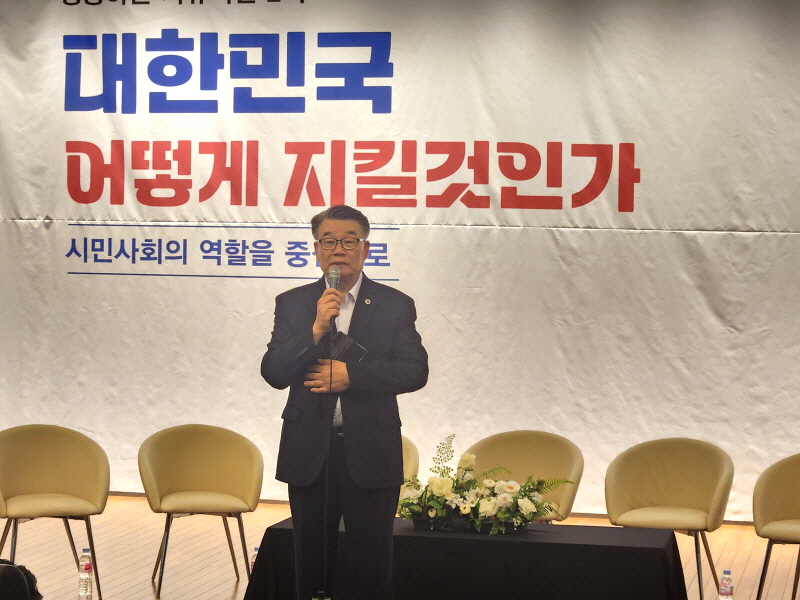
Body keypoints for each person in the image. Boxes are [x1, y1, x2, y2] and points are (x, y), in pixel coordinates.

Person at [260, 205, 428, 600]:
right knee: (311, 566)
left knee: (371, 567)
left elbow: (414, 371)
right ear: (316, 250)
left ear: (365, 249)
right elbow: (274, 372)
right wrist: (316, 328)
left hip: (371, 451)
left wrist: (353, 377)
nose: (339, 249)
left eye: (349, 241)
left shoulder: (394, 304)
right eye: (329, 241)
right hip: (310, 453)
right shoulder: (293, 303)